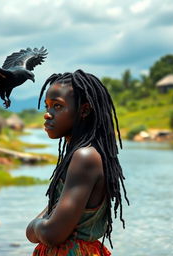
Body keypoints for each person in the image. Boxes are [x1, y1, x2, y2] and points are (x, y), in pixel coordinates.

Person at [26, 69, 129, 256]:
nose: (47, 114)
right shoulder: (82, 154)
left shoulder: (85, 157)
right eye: (47, 106)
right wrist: (44, 224)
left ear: (84, 110)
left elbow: (52, 233)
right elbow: (51, 219)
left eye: (57, 106)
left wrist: (34, 226)